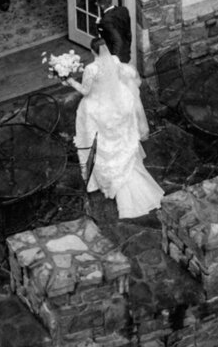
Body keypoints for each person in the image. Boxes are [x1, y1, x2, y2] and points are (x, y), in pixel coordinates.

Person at [68, 20, 163, 219]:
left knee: (96, 138)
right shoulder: (115, 60)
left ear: (92, 51)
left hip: (99, 108)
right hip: (119, 106)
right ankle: (122, 169)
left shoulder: (91, 69)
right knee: (118, 141)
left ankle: (103, 178)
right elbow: (120, 77)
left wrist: (68, 80)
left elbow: (85, 91)